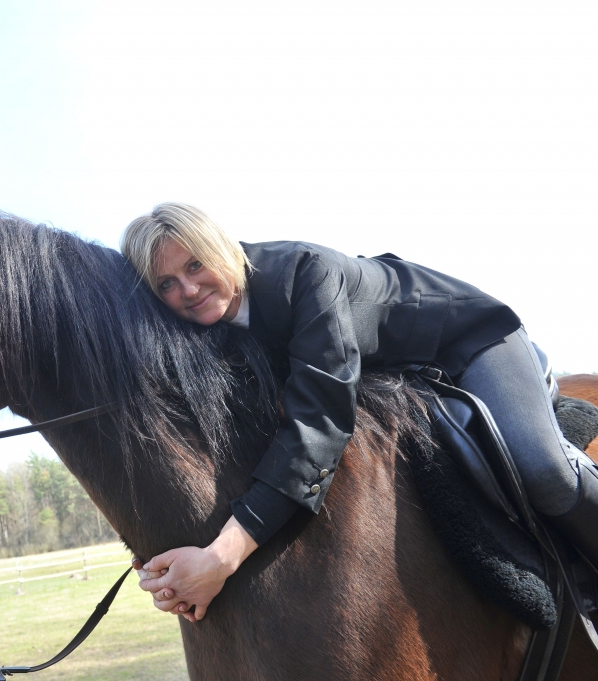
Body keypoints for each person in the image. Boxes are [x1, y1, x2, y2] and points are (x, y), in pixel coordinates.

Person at [121, 202, 598, 623]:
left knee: (542, 468)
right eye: (167, 284)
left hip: (471, 343)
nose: (189, 288)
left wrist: (224, 556)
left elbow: (319, 420)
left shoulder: (302, 273)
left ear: (219, 248)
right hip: (399, 374)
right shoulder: (206, 330)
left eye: (196, 264)